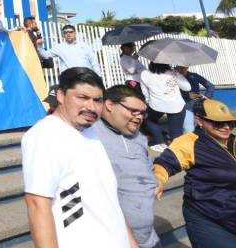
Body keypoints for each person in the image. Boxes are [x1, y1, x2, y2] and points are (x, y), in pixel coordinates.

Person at [22, 67, 138, 248]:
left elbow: (109, 200)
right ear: (61, 95)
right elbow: (38, 205)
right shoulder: (45, 136)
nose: (91, 107)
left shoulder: (91, 133)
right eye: (82, 98)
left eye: (97, 100)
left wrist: (132, 243)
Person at [153, 99, 236, 247]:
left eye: (230, 123)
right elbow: (165, 163)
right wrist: (158, 179)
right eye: (218, 123)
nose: (226, 127)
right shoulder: (190, 142)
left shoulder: (233, 140)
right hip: (207, 216)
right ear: (199, 120)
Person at [92, 85, 160, 248]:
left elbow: (146, 168)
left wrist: (156, 180)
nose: (139, 117)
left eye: (142, 113)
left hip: (149, 238)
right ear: (109, 105)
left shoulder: (139, 137)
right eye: (133, 110)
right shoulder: (89, 135)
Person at [140, 62, 190, 151]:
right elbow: (187, 88)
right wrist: (181, 75)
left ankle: (161, 143)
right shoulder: (174, 73)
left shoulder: (145, 74)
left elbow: (145, 92)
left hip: (156, 105)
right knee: (176, 131)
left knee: (150, 120)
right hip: (176, 105)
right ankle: (176, 149)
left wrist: (149, 101)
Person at [177, 66, 215, 133]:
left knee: (201, 128)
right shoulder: (173, 78)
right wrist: (187, 95)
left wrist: (206, 97)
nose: (181, 69)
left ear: (187, 66)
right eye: (179, 67)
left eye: (183, 67)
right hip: (183, 106)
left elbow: (210, 86)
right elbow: (169, 92)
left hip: (197, 106)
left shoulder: (194, 76)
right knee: (188, 130)